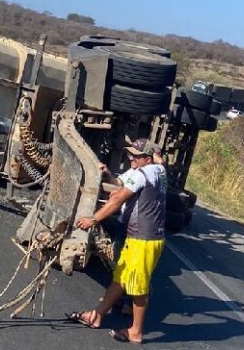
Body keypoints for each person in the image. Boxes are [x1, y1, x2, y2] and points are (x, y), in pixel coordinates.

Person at [67, 138, 167, 344]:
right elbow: (159, 161)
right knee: (120, 278)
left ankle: (136, 332)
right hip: (138, 236)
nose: (131, 158)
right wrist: (155, 156)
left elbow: (117, 198)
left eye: (136, 156)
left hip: (145, 239)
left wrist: (93, 219)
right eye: (130, 154)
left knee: (138, 288)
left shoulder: (142, 174)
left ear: (147, 158)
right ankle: (97, 315)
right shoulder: (159, 170)